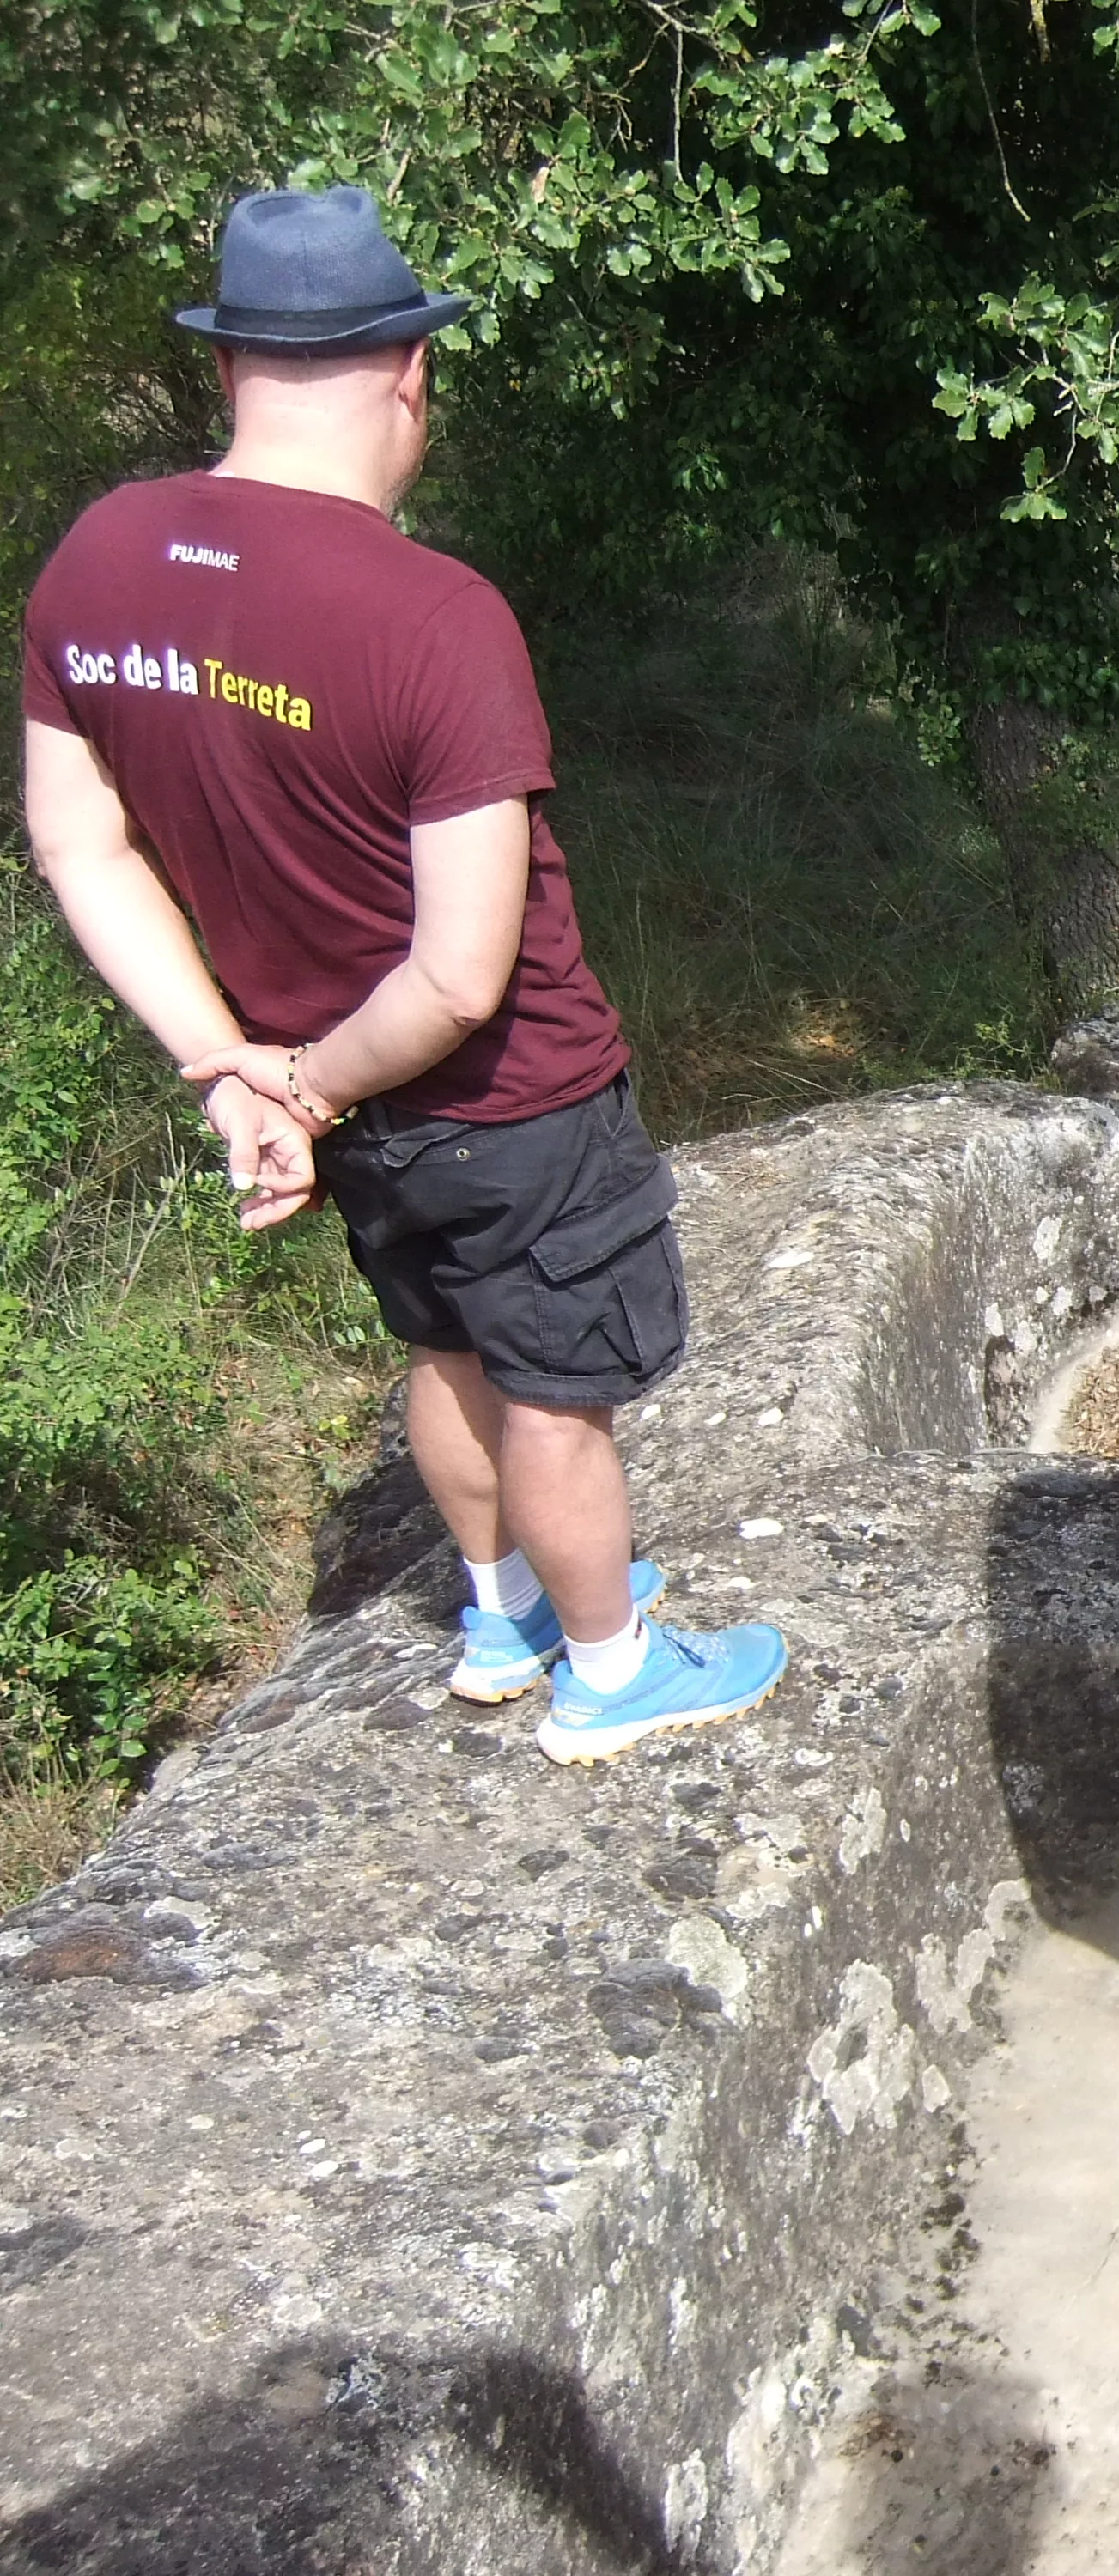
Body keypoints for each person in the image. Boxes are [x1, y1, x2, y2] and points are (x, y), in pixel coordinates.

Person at [18, 186, 786, 1766]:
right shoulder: (435, 617)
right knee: (556, 1384)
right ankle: (610, 1666)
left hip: (338, 1090)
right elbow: (457, 974)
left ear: (230, 366)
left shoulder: (96, 562)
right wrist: (304, 1079)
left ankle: (498, 1616)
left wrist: (235, 1065)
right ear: (408, 375)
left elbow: (80, 850)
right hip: (503, 1097)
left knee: (444, 1346)